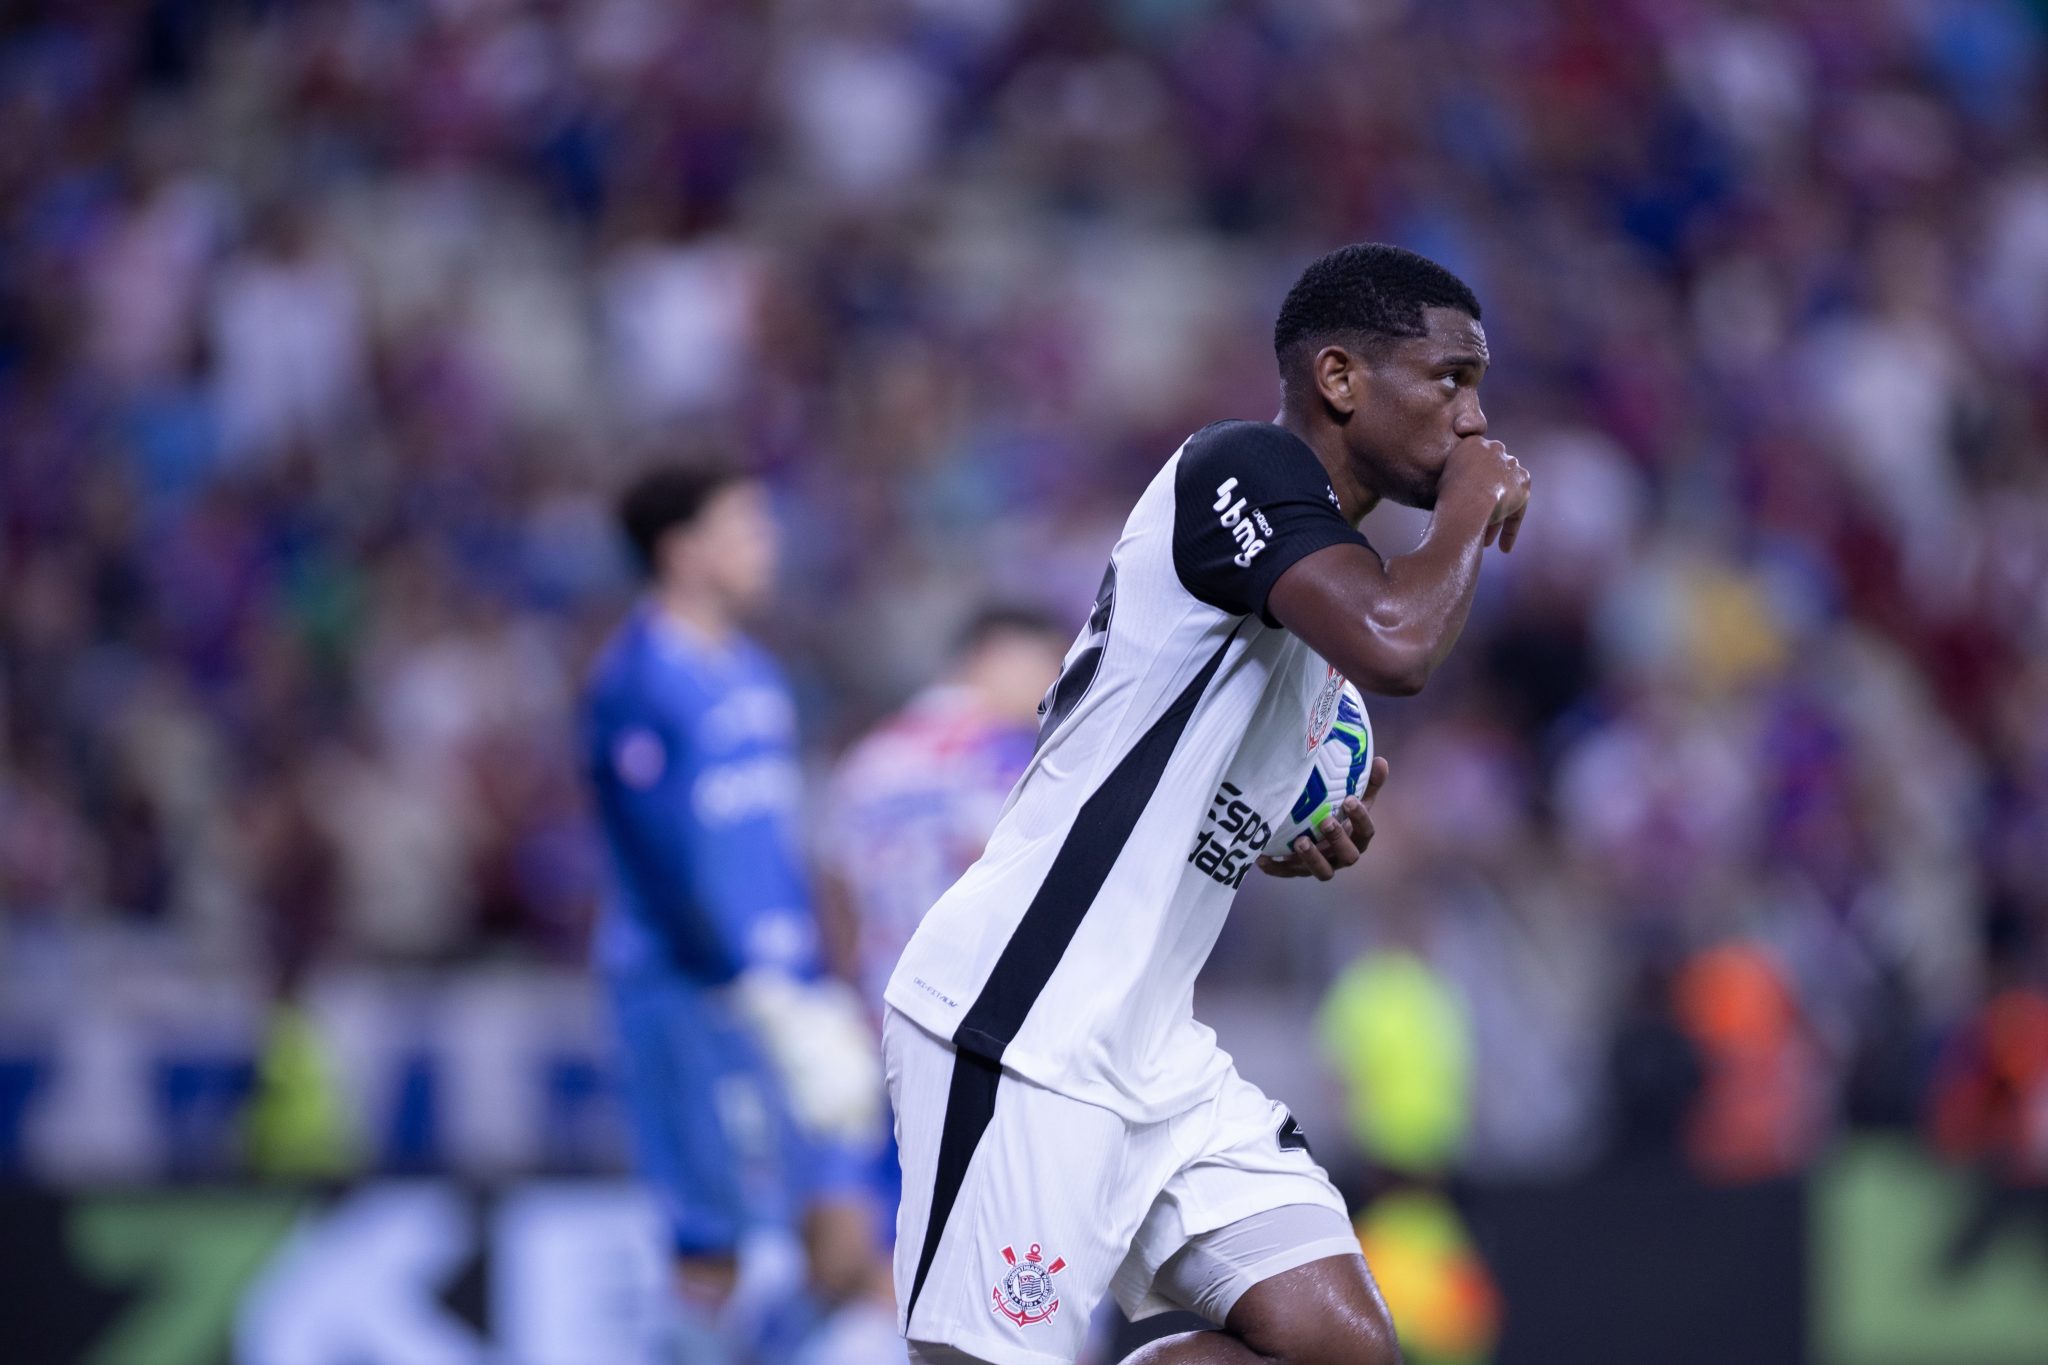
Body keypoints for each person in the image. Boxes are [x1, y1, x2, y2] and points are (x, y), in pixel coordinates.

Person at [885, 242, 1531, 1365]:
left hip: (1154, 1051)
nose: (1472, 420)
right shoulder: (1237, 468)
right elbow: (1397, 644)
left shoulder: (1306, 597)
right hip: (1023, 1019)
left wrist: (1274, 827)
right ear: (1338, 378)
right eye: (1448, 379)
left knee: (1343, 1349)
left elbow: (1182, 769)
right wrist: (1468, 511)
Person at [581, 462, 897, 1365]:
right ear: (683, 551)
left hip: (783, 991)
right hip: (687, 994)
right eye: (746, 528)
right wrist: (739, 981)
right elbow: (649, 855)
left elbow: (776, 843)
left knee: (844, 1235)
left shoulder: (757, 675)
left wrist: (817, 982)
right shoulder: (636, 680)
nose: (769, 545)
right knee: (717, 1248)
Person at [818, 605, 1073, 1014]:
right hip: (976, 1000)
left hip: (881, 1002)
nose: (1059, 685)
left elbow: (835, 885)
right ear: (996, 657)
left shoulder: (871, 755)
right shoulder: (1003, 753)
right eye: (1052, 664)